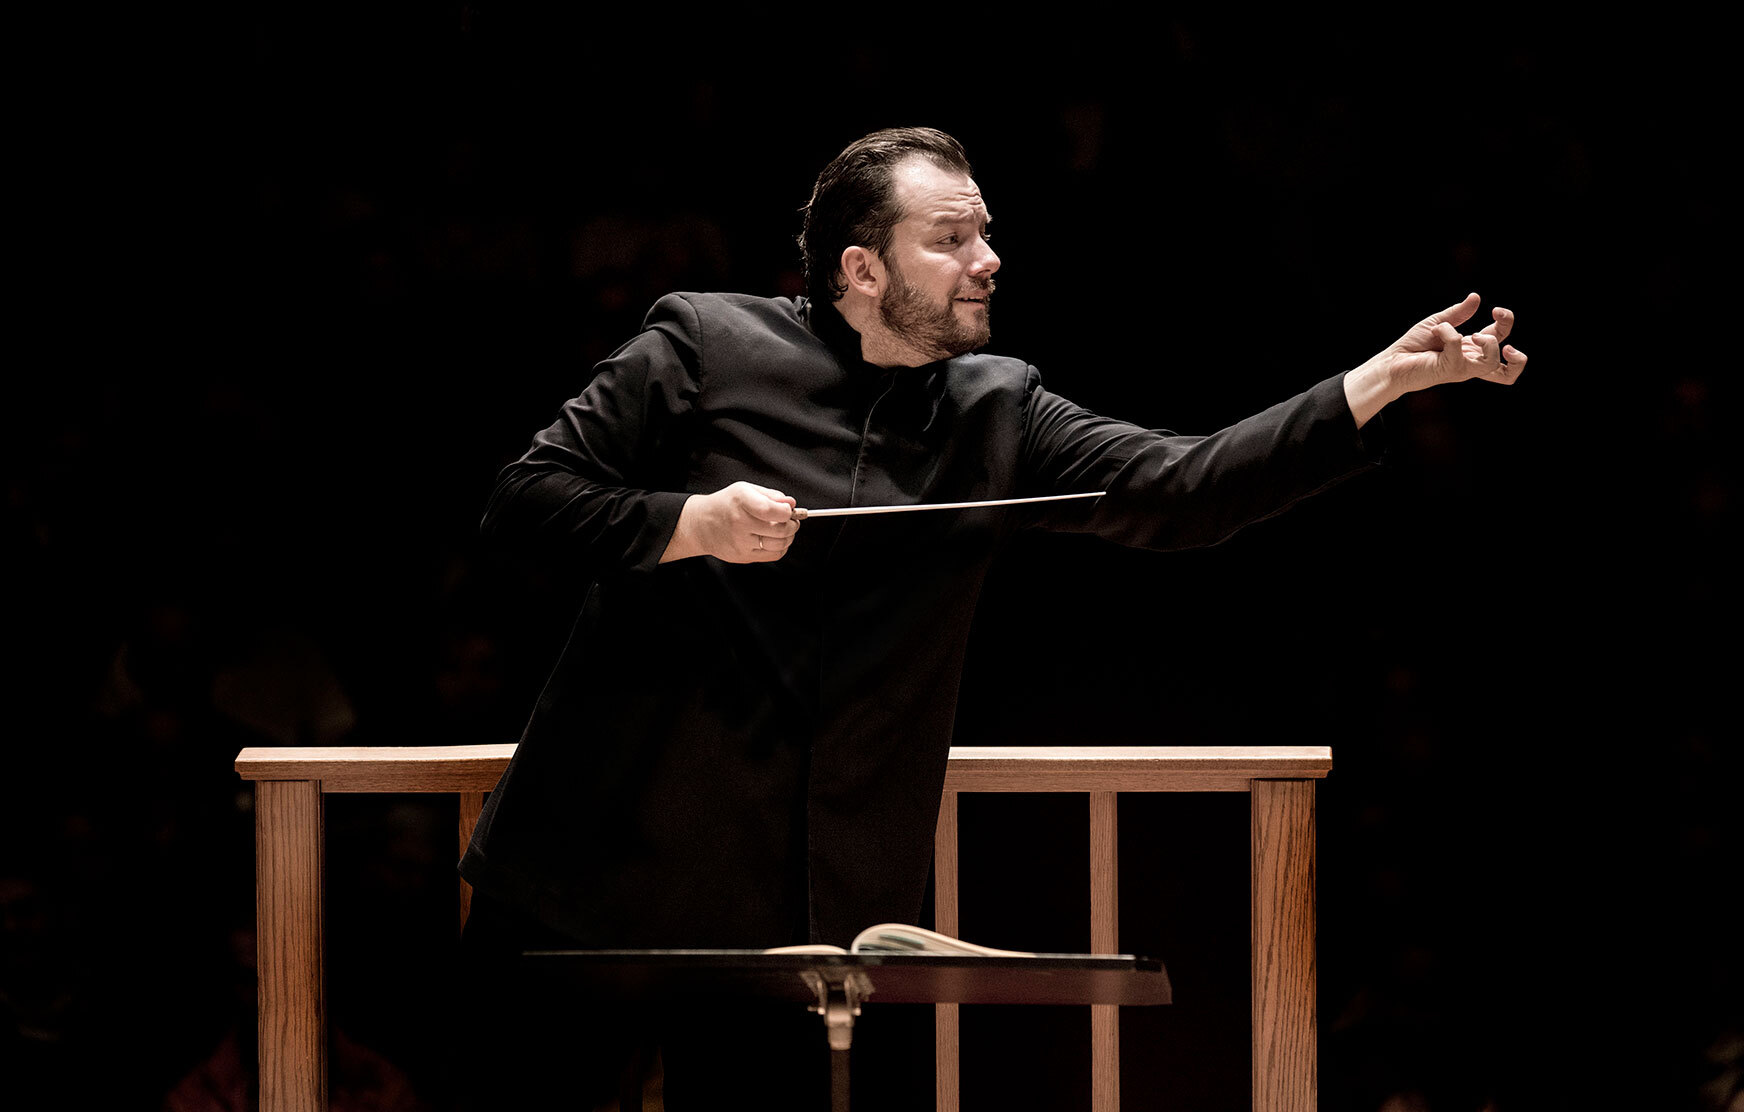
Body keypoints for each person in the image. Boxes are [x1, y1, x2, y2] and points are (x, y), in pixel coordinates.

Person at [456, 126, 1525, 1108]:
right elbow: (526, 502)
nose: (988, 257)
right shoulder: (701, 342)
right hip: (587, 884)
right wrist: (689, 520)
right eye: (951, 236)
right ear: (860, 268)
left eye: (987, 233)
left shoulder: (995, 404)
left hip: (790, 931)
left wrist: (1376, 383)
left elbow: (1183, 486)